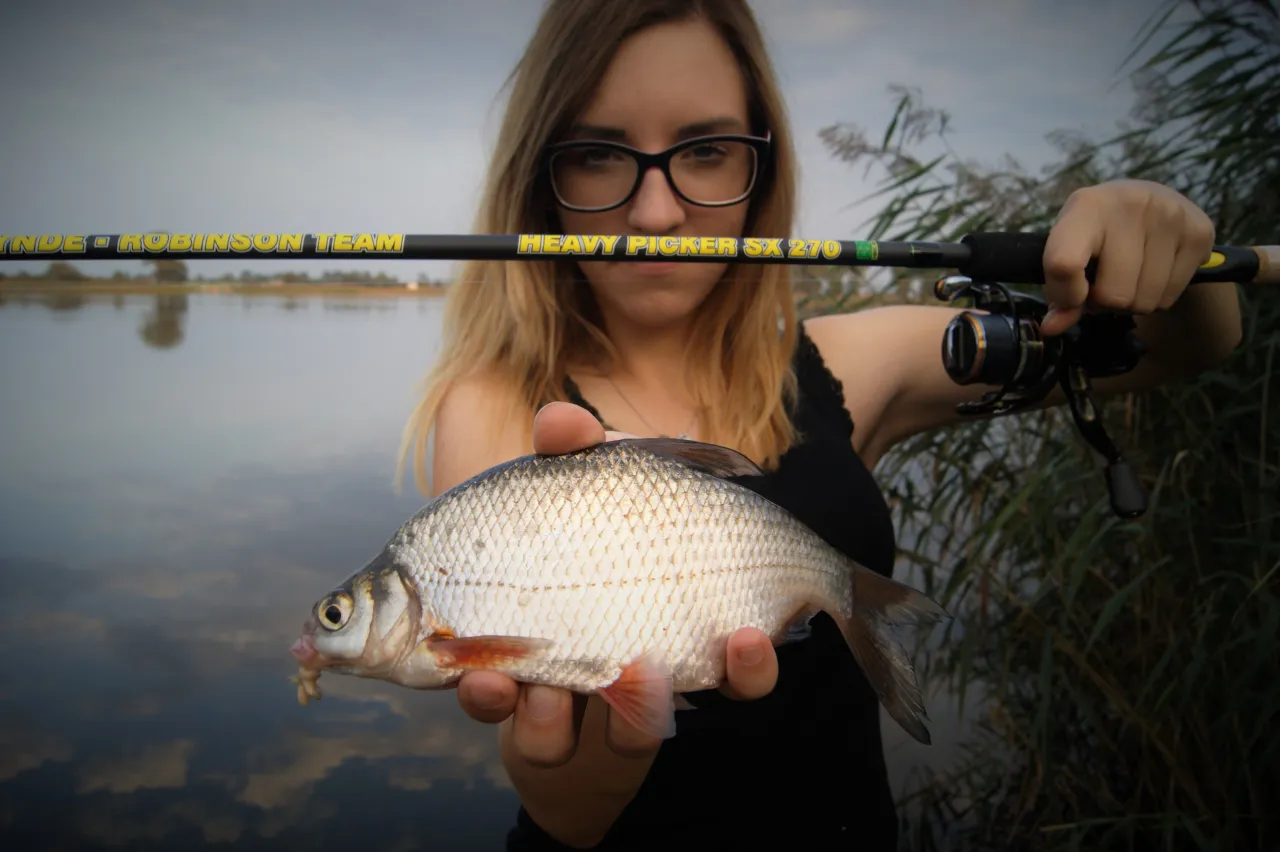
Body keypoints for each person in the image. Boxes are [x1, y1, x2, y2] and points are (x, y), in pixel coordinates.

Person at [396, 1, 1243, 848]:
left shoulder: (854, 364)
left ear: (764, 170)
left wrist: (1171, 247)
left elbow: (1181, 349)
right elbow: (568, 818)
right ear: (539, 177)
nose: (655, 213)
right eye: (595, 154)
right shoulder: (492, 406)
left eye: (705, 150)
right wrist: (600, 747)